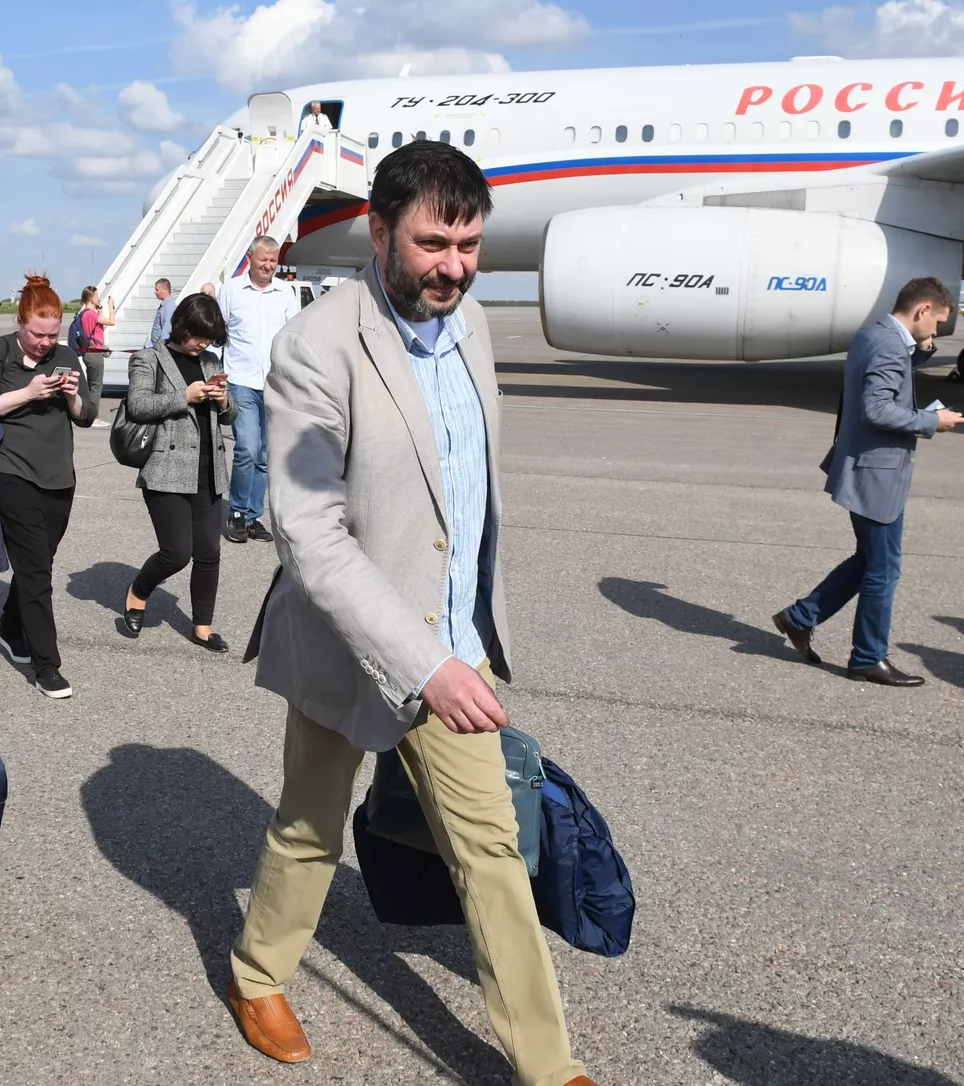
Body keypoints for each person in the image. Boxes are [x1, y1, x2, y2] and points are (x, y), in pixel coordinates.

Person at [228, 141, 600, 1086]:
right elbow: (308, 531)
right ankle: (258, 974)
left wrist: (460, 642)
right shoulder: (317, 346)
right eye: (434, 243)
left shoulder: (468, 324)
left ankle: (548, 1066)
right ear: (379, 230)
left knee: (491, 850)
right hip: (348, 643)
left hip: (454, 642)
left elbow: (461, 493)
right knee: (309, 827)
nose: (455, 267)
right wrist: (422, 662)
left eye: (469, 246)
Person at [772, 277, 964, 686]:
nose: (936, 330)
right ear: (922, 310)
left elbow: (883, 380)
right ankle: (867, 657)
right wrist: (933, 420)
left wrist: (921, 351)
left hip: (864, 464)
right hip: (876, 472)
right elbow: (877, 407)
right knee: (883, 569)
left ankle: (801, 617)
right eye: (937, 322)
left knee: (869, 558)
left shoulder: (872, 333)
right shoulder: (890, 345)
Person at [0, 275, 97, 699]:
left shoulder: (65, 355)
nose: (45, 343)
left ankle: (9, 626)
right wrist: (27, 393)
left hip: (59, 476)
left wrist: (72, 396)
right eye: (37, 334)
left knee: (37, 562)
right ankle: (47, 666)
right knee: (38, 572)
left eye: (52, 334)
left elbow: (87, 415)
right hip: (12, 471)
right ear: (20, 323)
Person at [120, 294, 237, 650]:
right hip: (166, 468)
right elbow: (138, 406)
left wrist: (223, 400)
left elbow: (230, 416)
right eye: (198, 336)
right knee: (177, 553)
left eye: (209, 338)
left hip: (209, 468)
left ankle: (203, 625)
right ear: (181, 326)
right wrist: (183, 396)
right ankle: (139, 591)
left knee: (209, 552)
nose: (202, 344)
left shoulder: (210, 361)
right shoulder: (149, 359)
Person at [217, 236, 300, 544]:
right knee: (247, 448)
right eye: (263, 259)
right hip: (241, 379)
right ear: (250, 258)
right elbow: (218, 331)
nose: (268, 265)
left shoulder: (286, 293)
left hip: (275, 382)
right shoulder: (232, 290)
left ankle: (253, 516)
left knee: (265, 454)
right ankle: (237, 513)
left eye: (273, 260)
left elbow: (294, 335)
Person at [69, 286, 115, 428]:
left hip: (90, 353)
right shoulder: (90, 314)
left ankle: (89, 415)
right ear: (91, 298)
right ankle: (94, 418)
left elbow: (99, 329)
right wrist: (111, 306)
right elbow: (111, 321)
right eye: (96, 295)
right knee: (96, 388)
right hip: (94, 355)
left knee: (92, 386)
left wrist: (100, 309)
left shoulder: (85, 314)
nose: (98, 297)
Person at [144, 277, 179, 349]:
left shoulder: (168, 307)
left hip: (160, 347)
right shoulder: (165, 306)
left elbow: (167, 328)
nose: (155, 292)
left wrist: (160, 347)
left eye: (157, 290)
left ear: (165, 290)